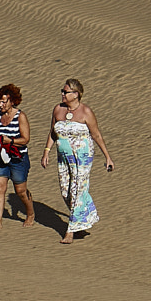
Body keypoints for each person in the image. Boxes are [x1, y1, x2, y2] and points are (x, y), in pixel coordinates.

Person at [46, 78, 114, 243]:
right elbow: (53, 132)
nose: (62, 94)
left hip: (82, 158)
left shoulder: (86, 112)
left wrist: (107, 157)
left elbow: (96, 134)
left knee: (78, 191)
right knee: (66, 191)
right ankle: (83, 221)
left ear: (76, 94)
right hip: (63, 158)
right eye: (62, 91)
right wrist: (46, 151)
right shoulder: (58, 109)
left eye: (65, 92)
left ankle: (70, 231)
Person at [0, 83, 34, 231]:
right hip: (0, 158)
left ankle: (30, 213)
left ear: (12, 101)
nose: (1, 104)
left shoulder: (20, 116)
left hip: (18, 158)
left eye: (4, 101)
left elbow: (25, 139)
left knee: (20, 191)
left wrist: (10, 141)